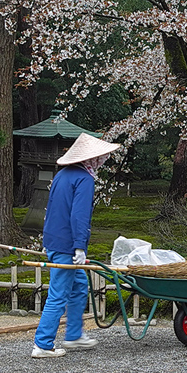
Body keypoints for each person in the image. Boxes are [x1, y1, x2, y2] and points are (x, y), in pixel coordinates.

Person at [31, 133, 122, 359]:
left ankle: (73, 335)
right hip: (67, 246)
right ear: (92, 159)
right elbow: (79, 216)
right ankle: (43, 344)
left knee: (80, 285)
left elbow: (51, 211)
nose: (104, 160)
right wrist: (79, 247)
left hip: (55, 241)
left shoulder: (62, 175)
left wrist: (48, 243)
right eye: (102, 157)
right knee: (58, 294)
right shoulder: (84, 179)